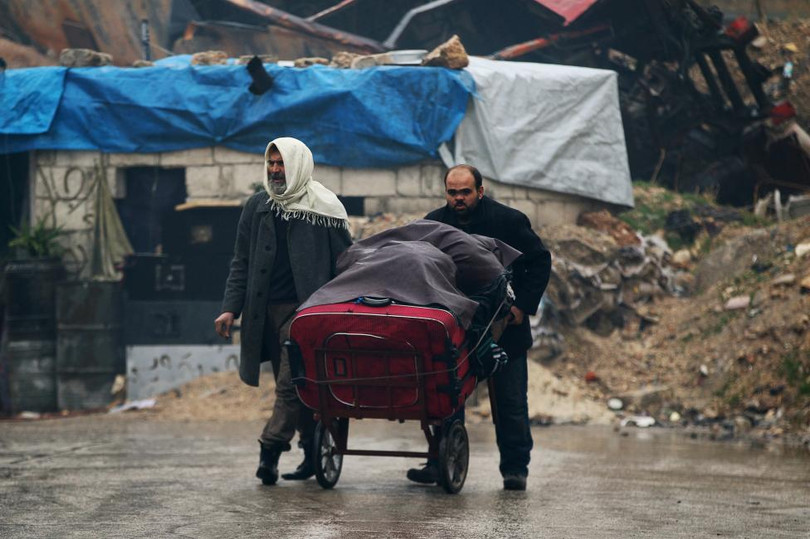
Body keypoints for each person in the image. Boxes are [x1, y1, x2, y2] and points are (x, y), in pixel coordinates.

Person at [215, 137, 352, 486]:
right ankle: (310, 452)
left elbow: (345, 263)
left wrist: (342, 308)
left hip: (306, 314)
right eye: (272, 164)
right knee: (298, 386)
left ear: (299, 166)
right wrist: (231, 309)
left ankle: (270, 451)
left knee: (290, 386)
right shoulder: (257, 206)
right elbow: (240, 262)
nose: (276, 170)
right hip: (265, 314)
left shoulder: (324, 208)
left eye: (282, 164)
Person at [410, 163, 551, 491]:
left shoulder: (510, 222)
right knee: (445, 399)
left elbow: (539, 262)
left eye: (465, 192)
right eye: (452, 192)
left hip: (505, 329)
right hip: (454, 331)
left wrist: (520, 307)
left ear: (480, 191)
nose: (458, 199)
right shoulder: (433, 224)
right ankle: (440, 464)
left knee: (511, 402)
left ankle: (515, 469)